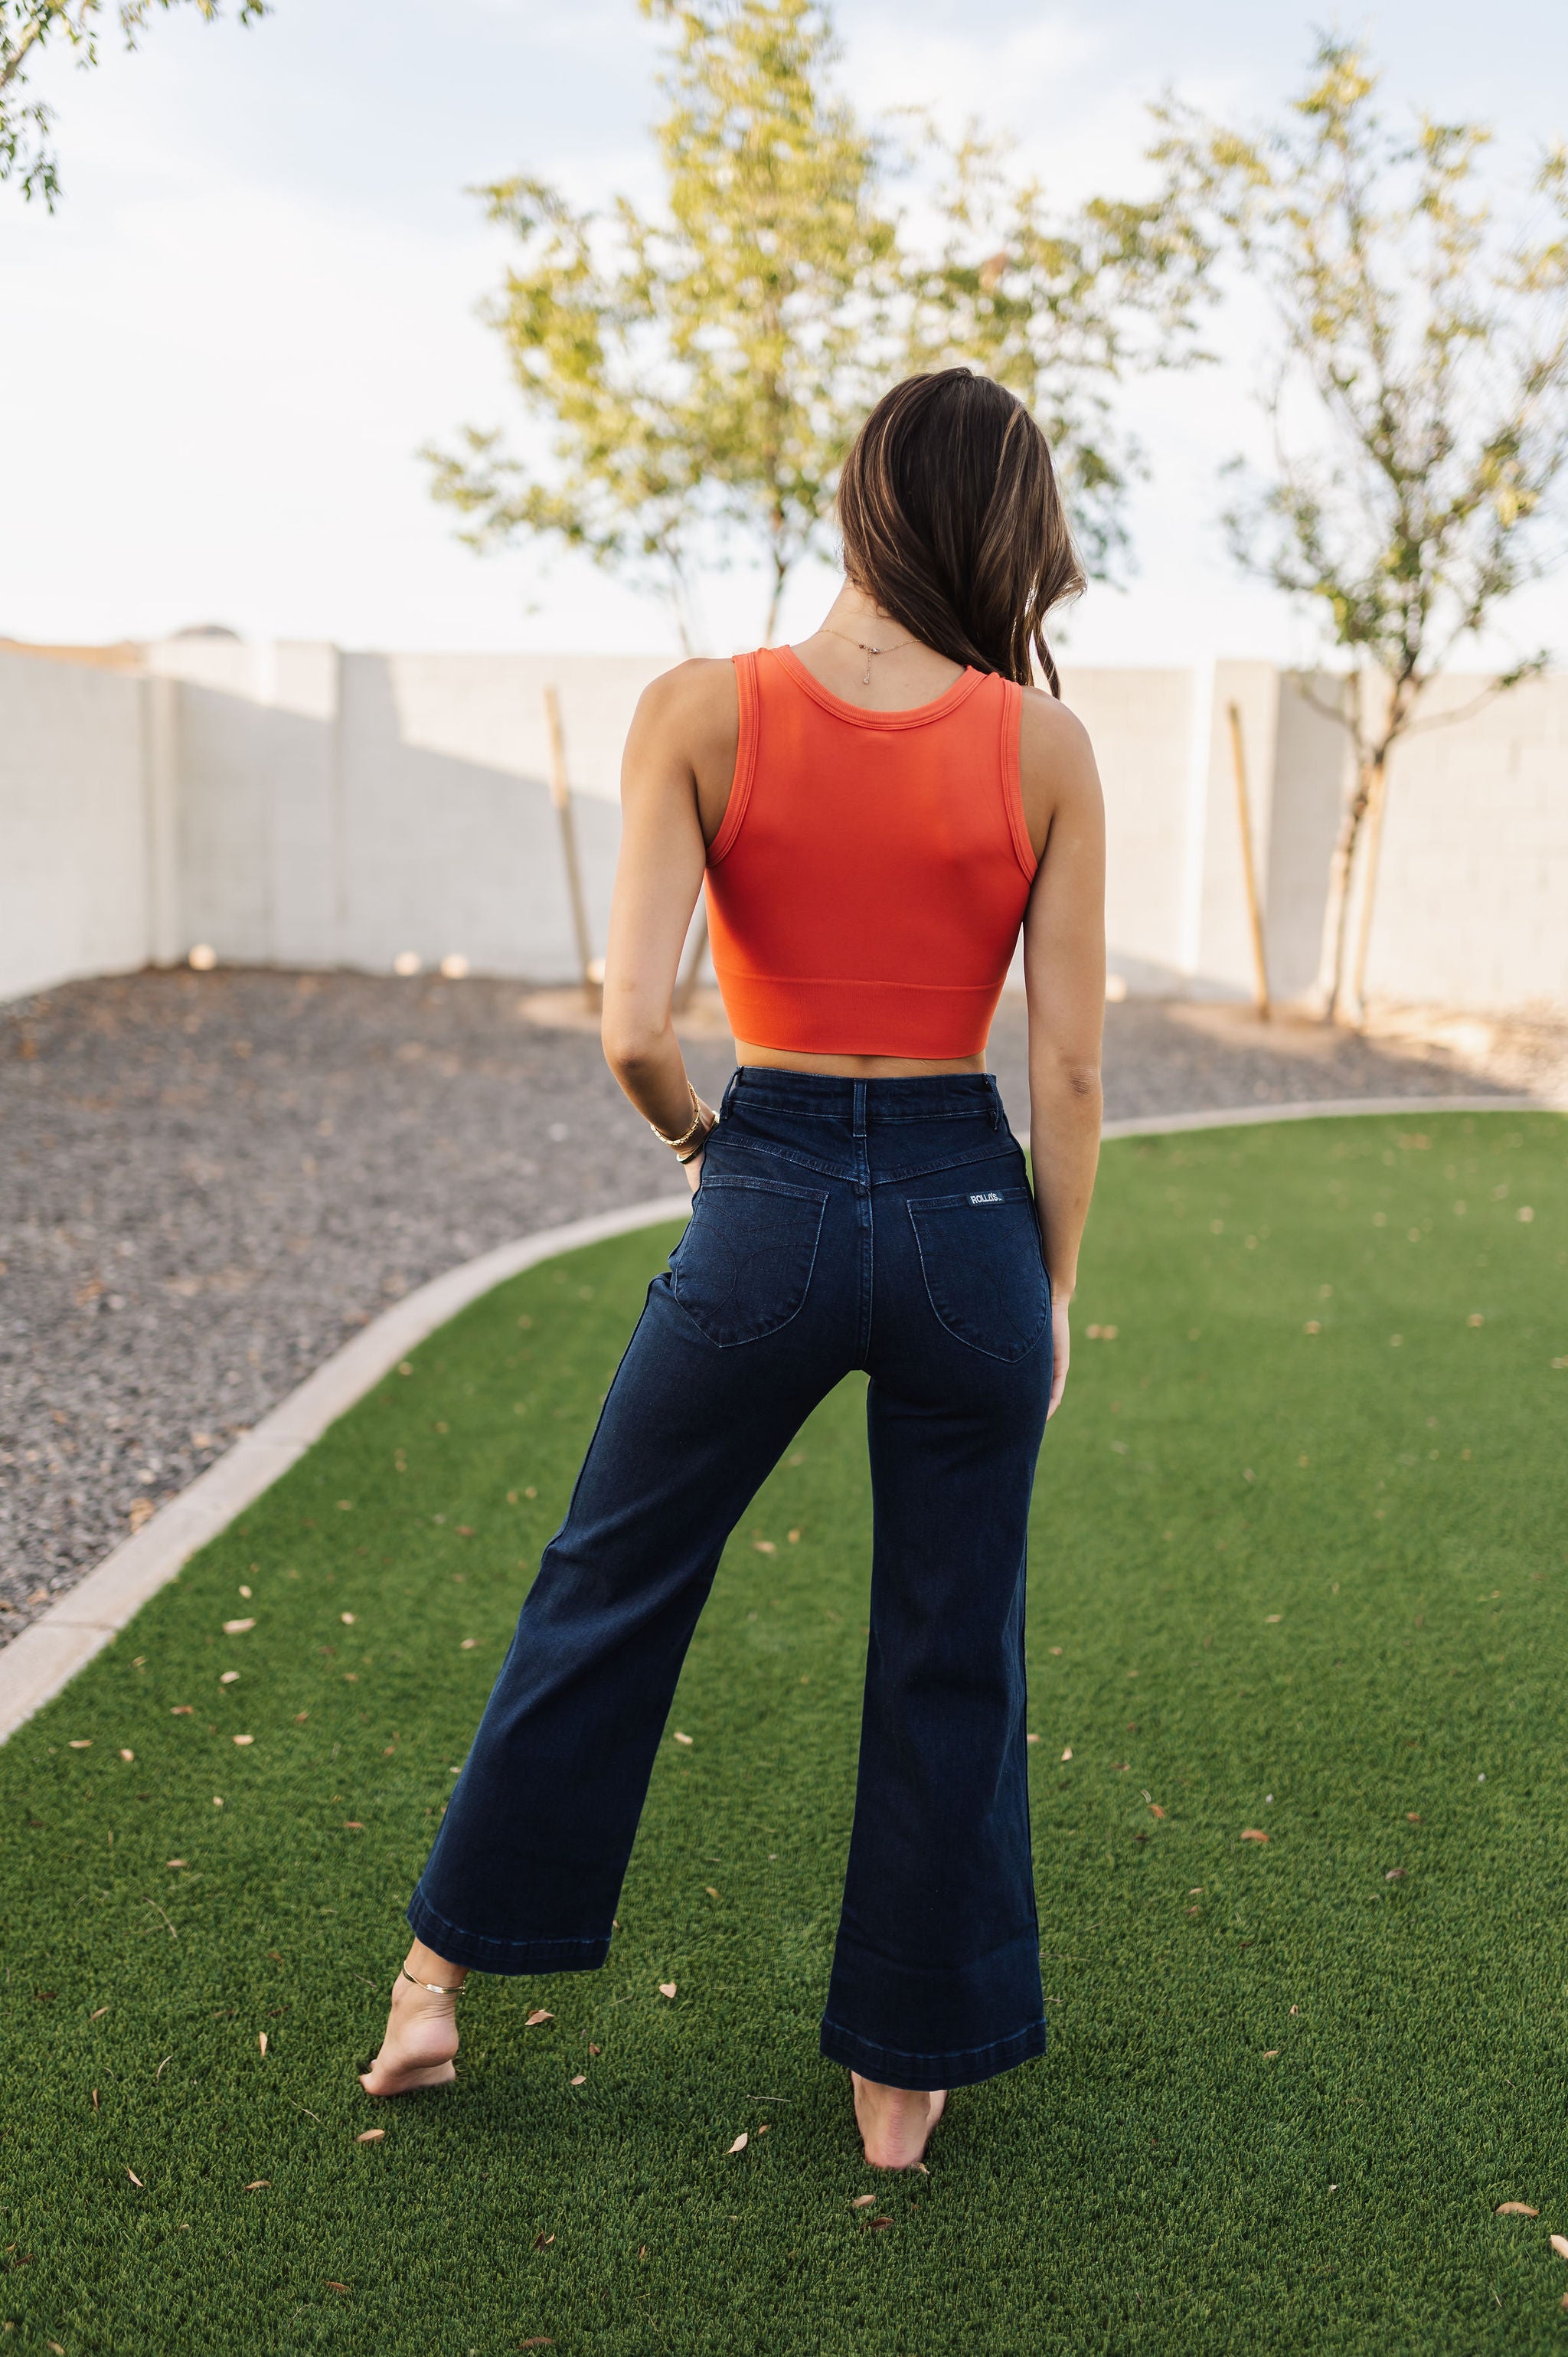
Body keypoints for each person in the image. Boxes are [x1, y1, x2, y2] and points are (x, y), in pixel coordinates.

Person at [360, 367, 1106, 2172]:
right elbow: (1070, 1071)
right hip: (961, 1221)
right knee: (953, 1648)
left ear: (858, 504)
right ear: (1008, 533)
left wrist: (710, 1145)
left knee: (605, 1583)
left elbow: (629, 1026)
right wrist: (1052, 1292)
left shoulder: (699, 711)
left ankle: (433, 1989)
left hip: (760, 1192)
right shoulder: (1044, 746)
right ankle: (897, 2088)